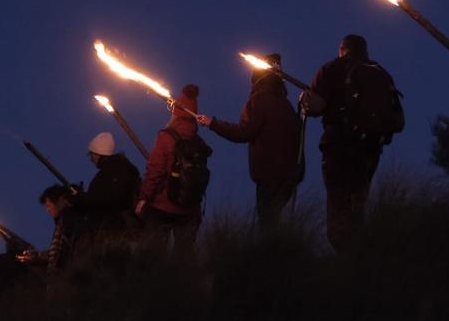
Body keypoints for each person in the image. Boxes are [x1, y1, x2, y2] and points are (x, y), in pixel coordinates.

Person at [302, 35, 403, 252]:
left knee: (338, 202)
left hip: (338, 146)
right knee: (359, 201)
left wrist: (305, 102)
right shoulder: (380, 72)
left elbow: (316, 106)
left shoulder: (331, 69)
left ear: (342, 49)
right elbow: (396, 117)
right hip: (371, 148)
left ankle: (343, 257)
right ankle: (359, 252)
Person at [198, 54, 304, 229]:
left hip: (270, 174)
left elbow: (244, 132)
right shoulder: (285, 103)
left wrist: (213, 124)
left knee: (268, 224)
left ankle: (270, 255)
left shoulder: (259, 100)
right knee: (276, 222)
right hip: (290, 174)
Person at [136, 85, 211, 258]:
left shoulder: (166, 137)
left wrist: (143, 197)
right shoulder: (197, 141)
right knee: (184, 258)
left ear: (177, 111)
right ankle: (183, 284)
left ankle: (158, 283)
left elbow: (154, 172)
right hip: (190, 208)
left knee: (154, 256)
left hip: (162, 206)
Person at [68, 132, 141, 242]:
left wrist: (80, 197)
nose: (90, 159)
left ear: (97, 154)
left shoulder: (107, 174)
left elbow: (100, 201)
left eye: (91, 154)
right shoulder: (126, 168)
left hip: (112, 232)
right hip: (129, 226)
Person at [20, 185, 82, 270]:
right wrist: (37, 256)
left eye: (48, 205)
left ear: (59, 201)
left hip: (66, 275)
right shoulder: (63, 221)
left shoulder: (67, 220)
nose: (48, 210)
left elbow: (61, 253)